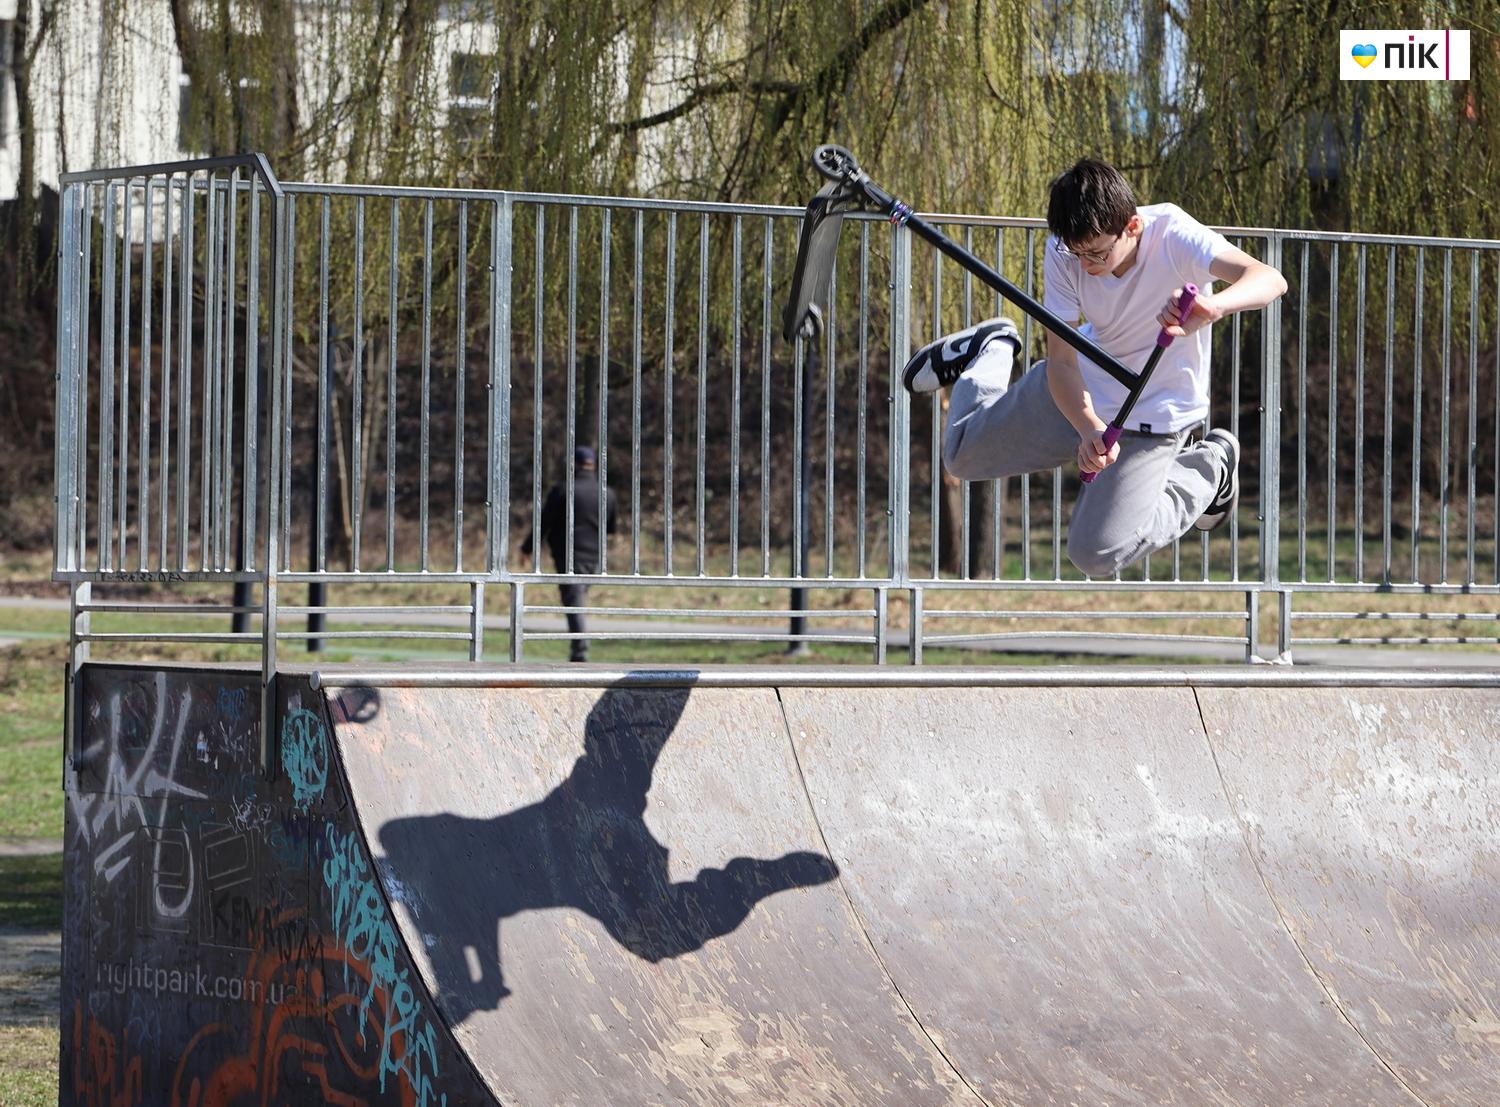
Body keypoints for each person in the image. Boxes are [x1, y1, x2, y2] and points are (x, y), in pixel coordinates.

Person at [902, 158, 1287, 578]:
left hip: (1156, 416)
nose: (1086, 265)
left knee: (1096, 555)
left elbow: (1268, 278)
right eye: (1077, 253)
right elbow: (1063, 362)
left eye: (1098, 253)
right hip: (1081, 387)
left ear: (1132, 227)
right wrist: (1088, 428)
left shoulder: (1174, 234)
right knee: (960, 455)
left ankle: (1211, 466)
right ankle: (995, 347)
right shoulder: (1064, 250)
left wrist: (1214, 306)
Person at [522, 446, 619, 661]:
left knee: (574, 601)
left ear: (573, 464)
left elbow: (544, 522)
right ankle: (579, 649)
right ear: (594, 465)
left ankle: (580, 653)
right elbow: (611, 529)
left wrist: (527, 548)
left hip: (568, 555)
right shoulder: (607, 493)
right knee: (577, 599)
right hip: (595, 557)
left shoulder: (563, 490)